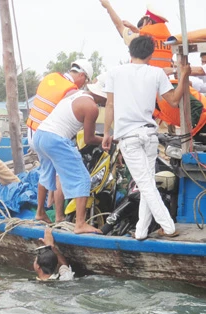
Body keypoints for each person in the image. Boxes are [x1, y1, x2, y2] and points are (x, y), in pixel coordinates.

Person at [102, 36, 191, 240]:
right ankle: (141, 231)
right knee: (147, 182)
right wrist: (184, 75)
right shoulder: (156, 72)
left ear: (130, 52)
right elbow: (175, 100)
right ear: (151, 54)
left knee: (145, 184)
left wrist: (107, 133)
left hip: (129, 137)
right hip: (149, 135)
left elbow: (110, 106)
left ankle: (168, 226)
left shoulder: (115, 72)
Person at [32, 74, 109, 234]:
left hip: (40, 134)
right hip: (56, 139)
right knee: (82, 178)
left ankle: (39, 212)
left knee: (46, 174)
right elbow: (88, 139)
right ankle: (80, 224)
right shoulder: (92, 108)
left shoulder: (74, 94)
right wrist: (107, 140)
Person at [27, 59, 94, 223]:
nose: (83, 85)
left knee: (45, 172)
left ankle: (40, 212)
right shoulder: (71, 90)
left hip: (34, 132)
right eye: (85, 81)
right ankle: (59, 217)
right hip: (52, 135)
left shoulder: (51, 77)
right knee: (61, 177)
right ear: (82, 75)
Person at [99, 1, 172, 68]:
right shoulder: (170, 40)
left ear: (149, 22)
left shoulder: (140, 38)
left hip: (143, 79)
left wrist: (108, 6)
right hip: (163, 79)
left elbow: (119, 26)